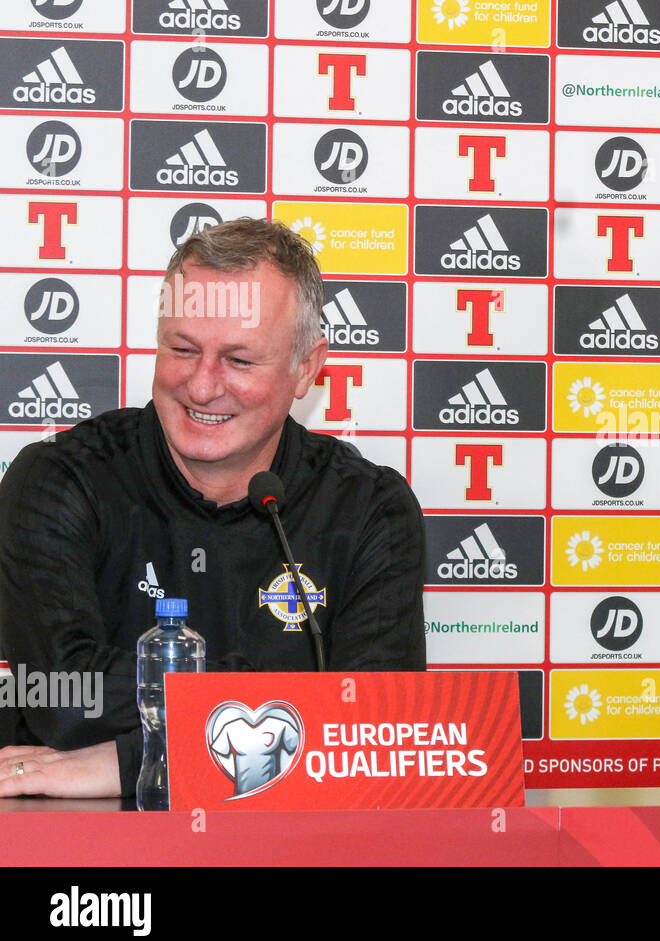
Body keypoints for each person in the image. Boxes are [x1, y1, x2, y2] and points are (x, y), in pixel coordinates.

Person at [0, 218, 426, 799]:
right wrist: (297, 703)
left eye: (239, 361)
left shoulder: (370, 507)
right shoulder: (58, 479)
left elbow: (377, 733)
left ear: (307, 367)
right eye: (182, 350)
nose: (201, 387)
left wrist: (136, 764)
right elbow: (65, 700)